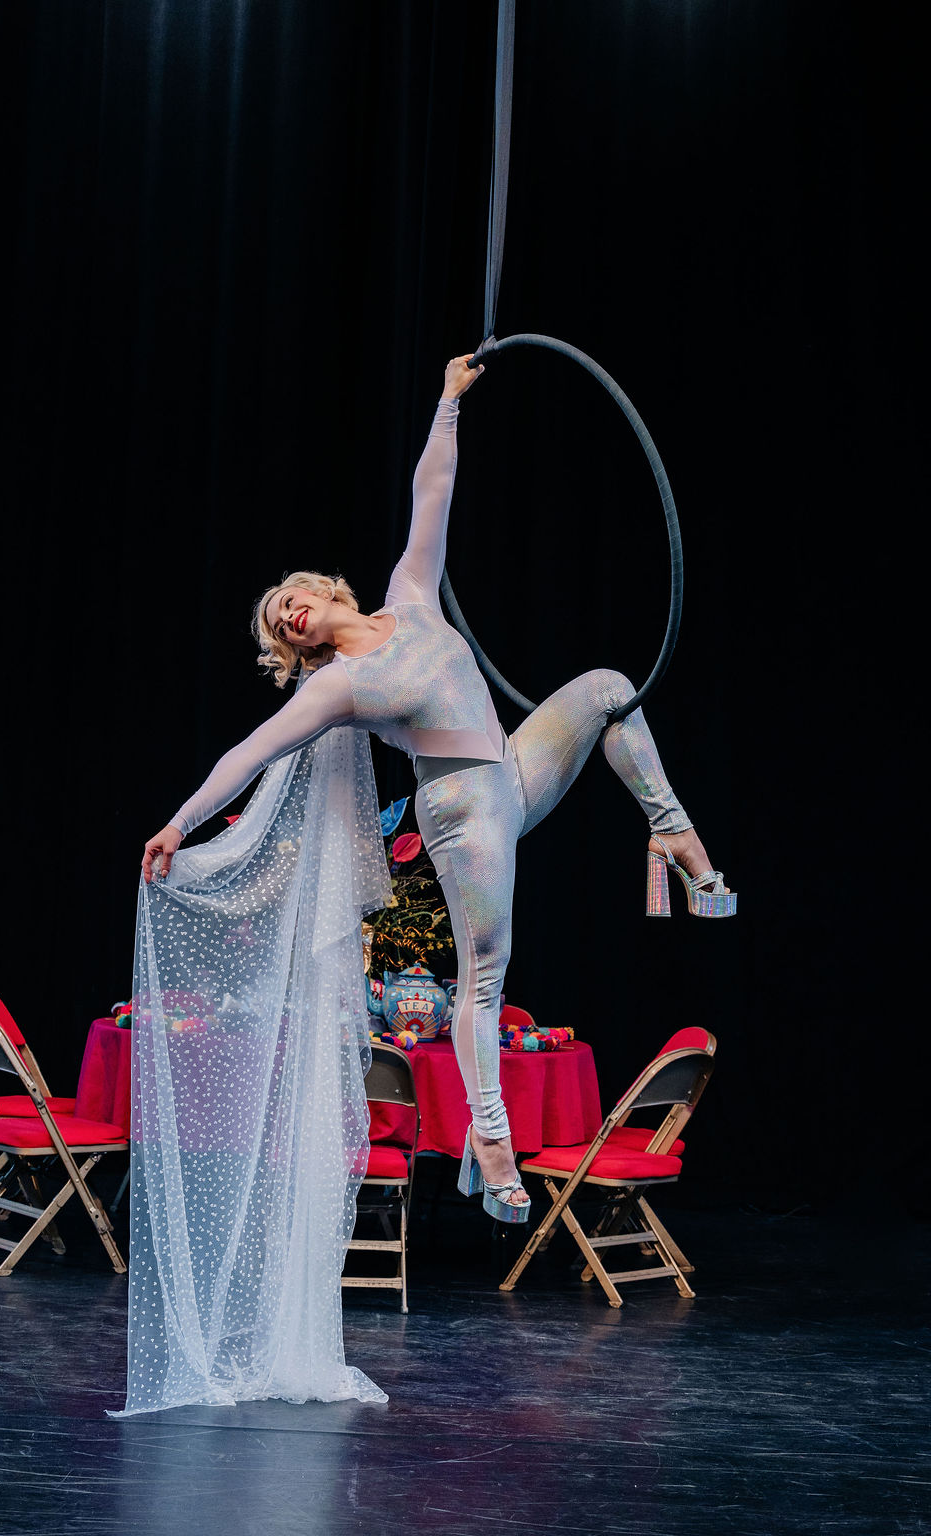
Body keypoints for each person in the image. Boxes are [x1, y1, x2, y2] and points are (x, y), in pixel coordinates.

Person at [142, 352, 736, 1227]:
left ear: (319, 589)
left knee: (611, 687)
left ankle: (676, 839)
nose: (288, 615)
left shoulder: (411, 596)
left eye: (290, 601)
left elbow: (434, 495)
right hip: (460, 807)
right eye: (279, 625)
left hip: (514, 772)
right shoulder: (333, 689)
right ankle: (490, 1142)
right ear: (295, 649)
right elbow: (249, 752)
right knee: (486, 976)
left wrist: (449, 404)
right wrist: (178, 823)